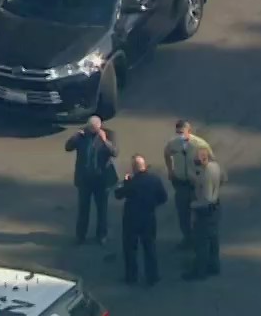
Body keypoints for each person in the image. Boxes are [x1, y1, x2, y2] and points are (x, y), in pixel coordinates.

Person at [114, 154, 167, 286]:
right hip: (148, 217)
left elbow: (118, 194)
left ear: (134, 168)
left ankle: (131, 276)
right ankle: (152, 276)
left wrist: (125, 182)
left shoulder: (132, 182)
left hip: (131, 219)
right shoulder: (154, 180)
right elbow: (163, 197)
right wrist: (153, 204)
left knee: (130, 248)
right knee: (150, 247)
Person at [65, 115, 118, 245]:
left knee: (102, 210)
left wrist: (105, 141)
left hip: (102, 180)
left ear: (99, 127)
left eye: (94, 129)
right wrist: (74, 137)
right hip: (85, 180)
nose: (91, 132)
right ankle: (80, 236)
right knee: (83, 209)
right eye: (90, 129)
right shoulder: (82, 136)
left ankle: (102, 235)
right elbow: (68, 147)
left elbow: (115, 152)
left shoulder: (108, 134)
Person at [164, 119, 213, 250]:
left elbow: (210, 162)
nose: (180, 135)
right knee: (182, 214)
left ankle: (199, 241)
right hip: (180, 183)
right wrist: (170, 170)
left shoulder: (199, 145)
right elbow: (167, 153)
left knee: (198, 214)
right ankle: (187, 239)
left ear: (189, 131)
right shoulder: (173, 144)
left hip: (196, 185)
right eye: (178, 132)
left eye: (182, 132)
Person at [185, 147, 226, 280]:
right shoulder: (216, 166)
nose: (194, 161)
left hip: (205, 209)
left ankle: (199, 272)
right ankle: (214, 266)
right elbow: (224, 179)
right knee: (213, 239)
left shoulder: (205, 172)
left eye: (196, 158)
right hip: (216, 207)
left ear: (203, 159)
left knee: (201, 242)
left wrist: (192, 206)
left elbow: (205, 197)